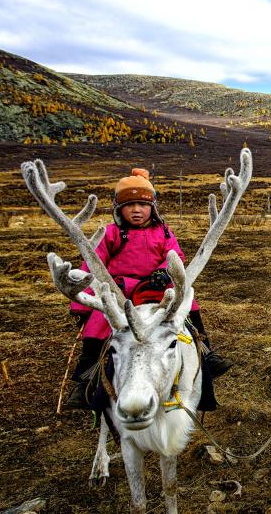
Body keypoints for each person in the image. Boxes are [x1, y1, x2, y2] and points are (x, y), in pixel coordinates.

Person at [65, 168, 231, 410]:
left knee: (188, 307)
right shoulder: (111, 233)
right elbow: (92, 266)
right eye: (129, 205)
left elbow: (176, 255)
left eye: (142, 205)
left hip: (157, 291)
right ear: (118, 208)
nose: (136, 210)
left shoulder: (163, 232)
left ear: (152, 207)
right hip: (120, 295)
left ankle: (205, 353)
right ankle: (87, 379)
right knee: (98, 326)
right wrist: (82, 306)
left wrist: (164, 272)